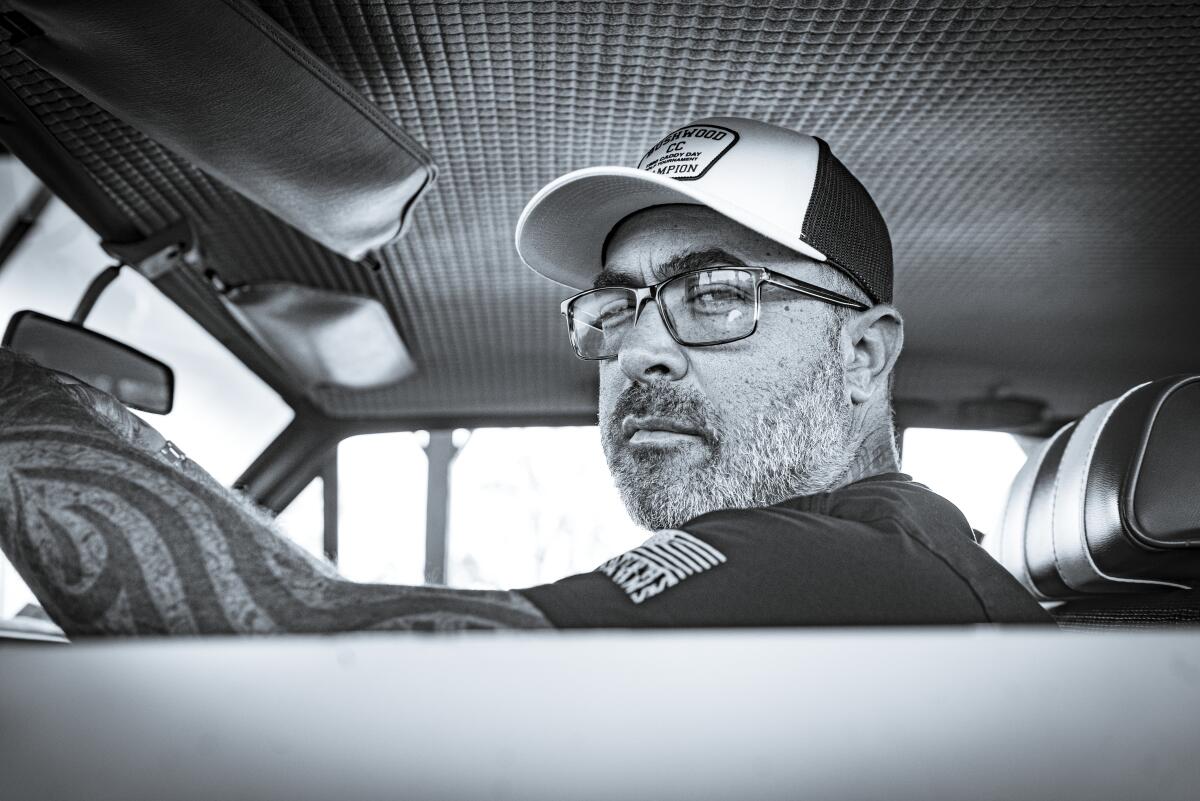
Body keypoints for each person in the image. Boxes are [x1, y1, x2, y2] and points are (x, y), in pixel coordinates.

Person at [0, 116, 1050, 635]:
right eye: (615, 309)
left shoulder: (858, 568)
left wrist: (19, 398)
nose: (639, 349)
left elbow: (314, 672)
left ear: (862, 354)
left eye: (716, 294)